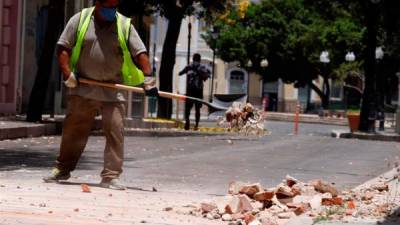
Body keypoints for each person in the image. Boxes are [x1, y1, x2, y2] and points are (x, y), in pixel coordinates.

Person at [43, 0, 157, 190]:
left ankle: (111, 176)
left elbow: (140, 53)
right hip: (83, 88)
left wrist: (149, 78)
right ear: (97, 5)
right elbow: (63, 48)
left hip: (113, 90)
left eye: (114, 7)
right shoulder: (80, 20)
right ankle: (62, 169)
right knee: (74, 131)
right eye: (107, 7)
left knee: (115, 132)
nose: (111, 11)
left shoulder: (123, 25)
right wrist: (67, 74)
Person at [179, 53, 210, 130]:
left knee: (189, 108)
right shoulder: (197, 67)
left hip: (192, 91)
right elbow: (206, 77)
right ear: (199, 59)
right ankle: (194, 124)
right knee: (196, 109)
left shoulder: (192, 67)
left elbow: (180, 73)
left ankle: (189, 122)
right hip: (197, 91)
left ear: (193, 59)